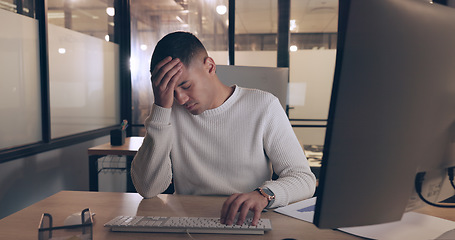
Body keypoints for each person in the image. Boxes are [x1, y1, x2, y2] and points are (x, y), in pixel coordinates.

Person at [131, 31, 316, 226]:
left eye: (185, 85)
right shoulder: (169, 111)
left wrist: (264, 195)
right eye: (171, 91)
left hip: (246, 221)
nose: (181, 99)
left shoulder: (263, 105)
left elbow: (303, 179)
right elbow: (148, 188)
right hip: (188, 225)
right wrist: (161, 109)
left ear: (210, 66)